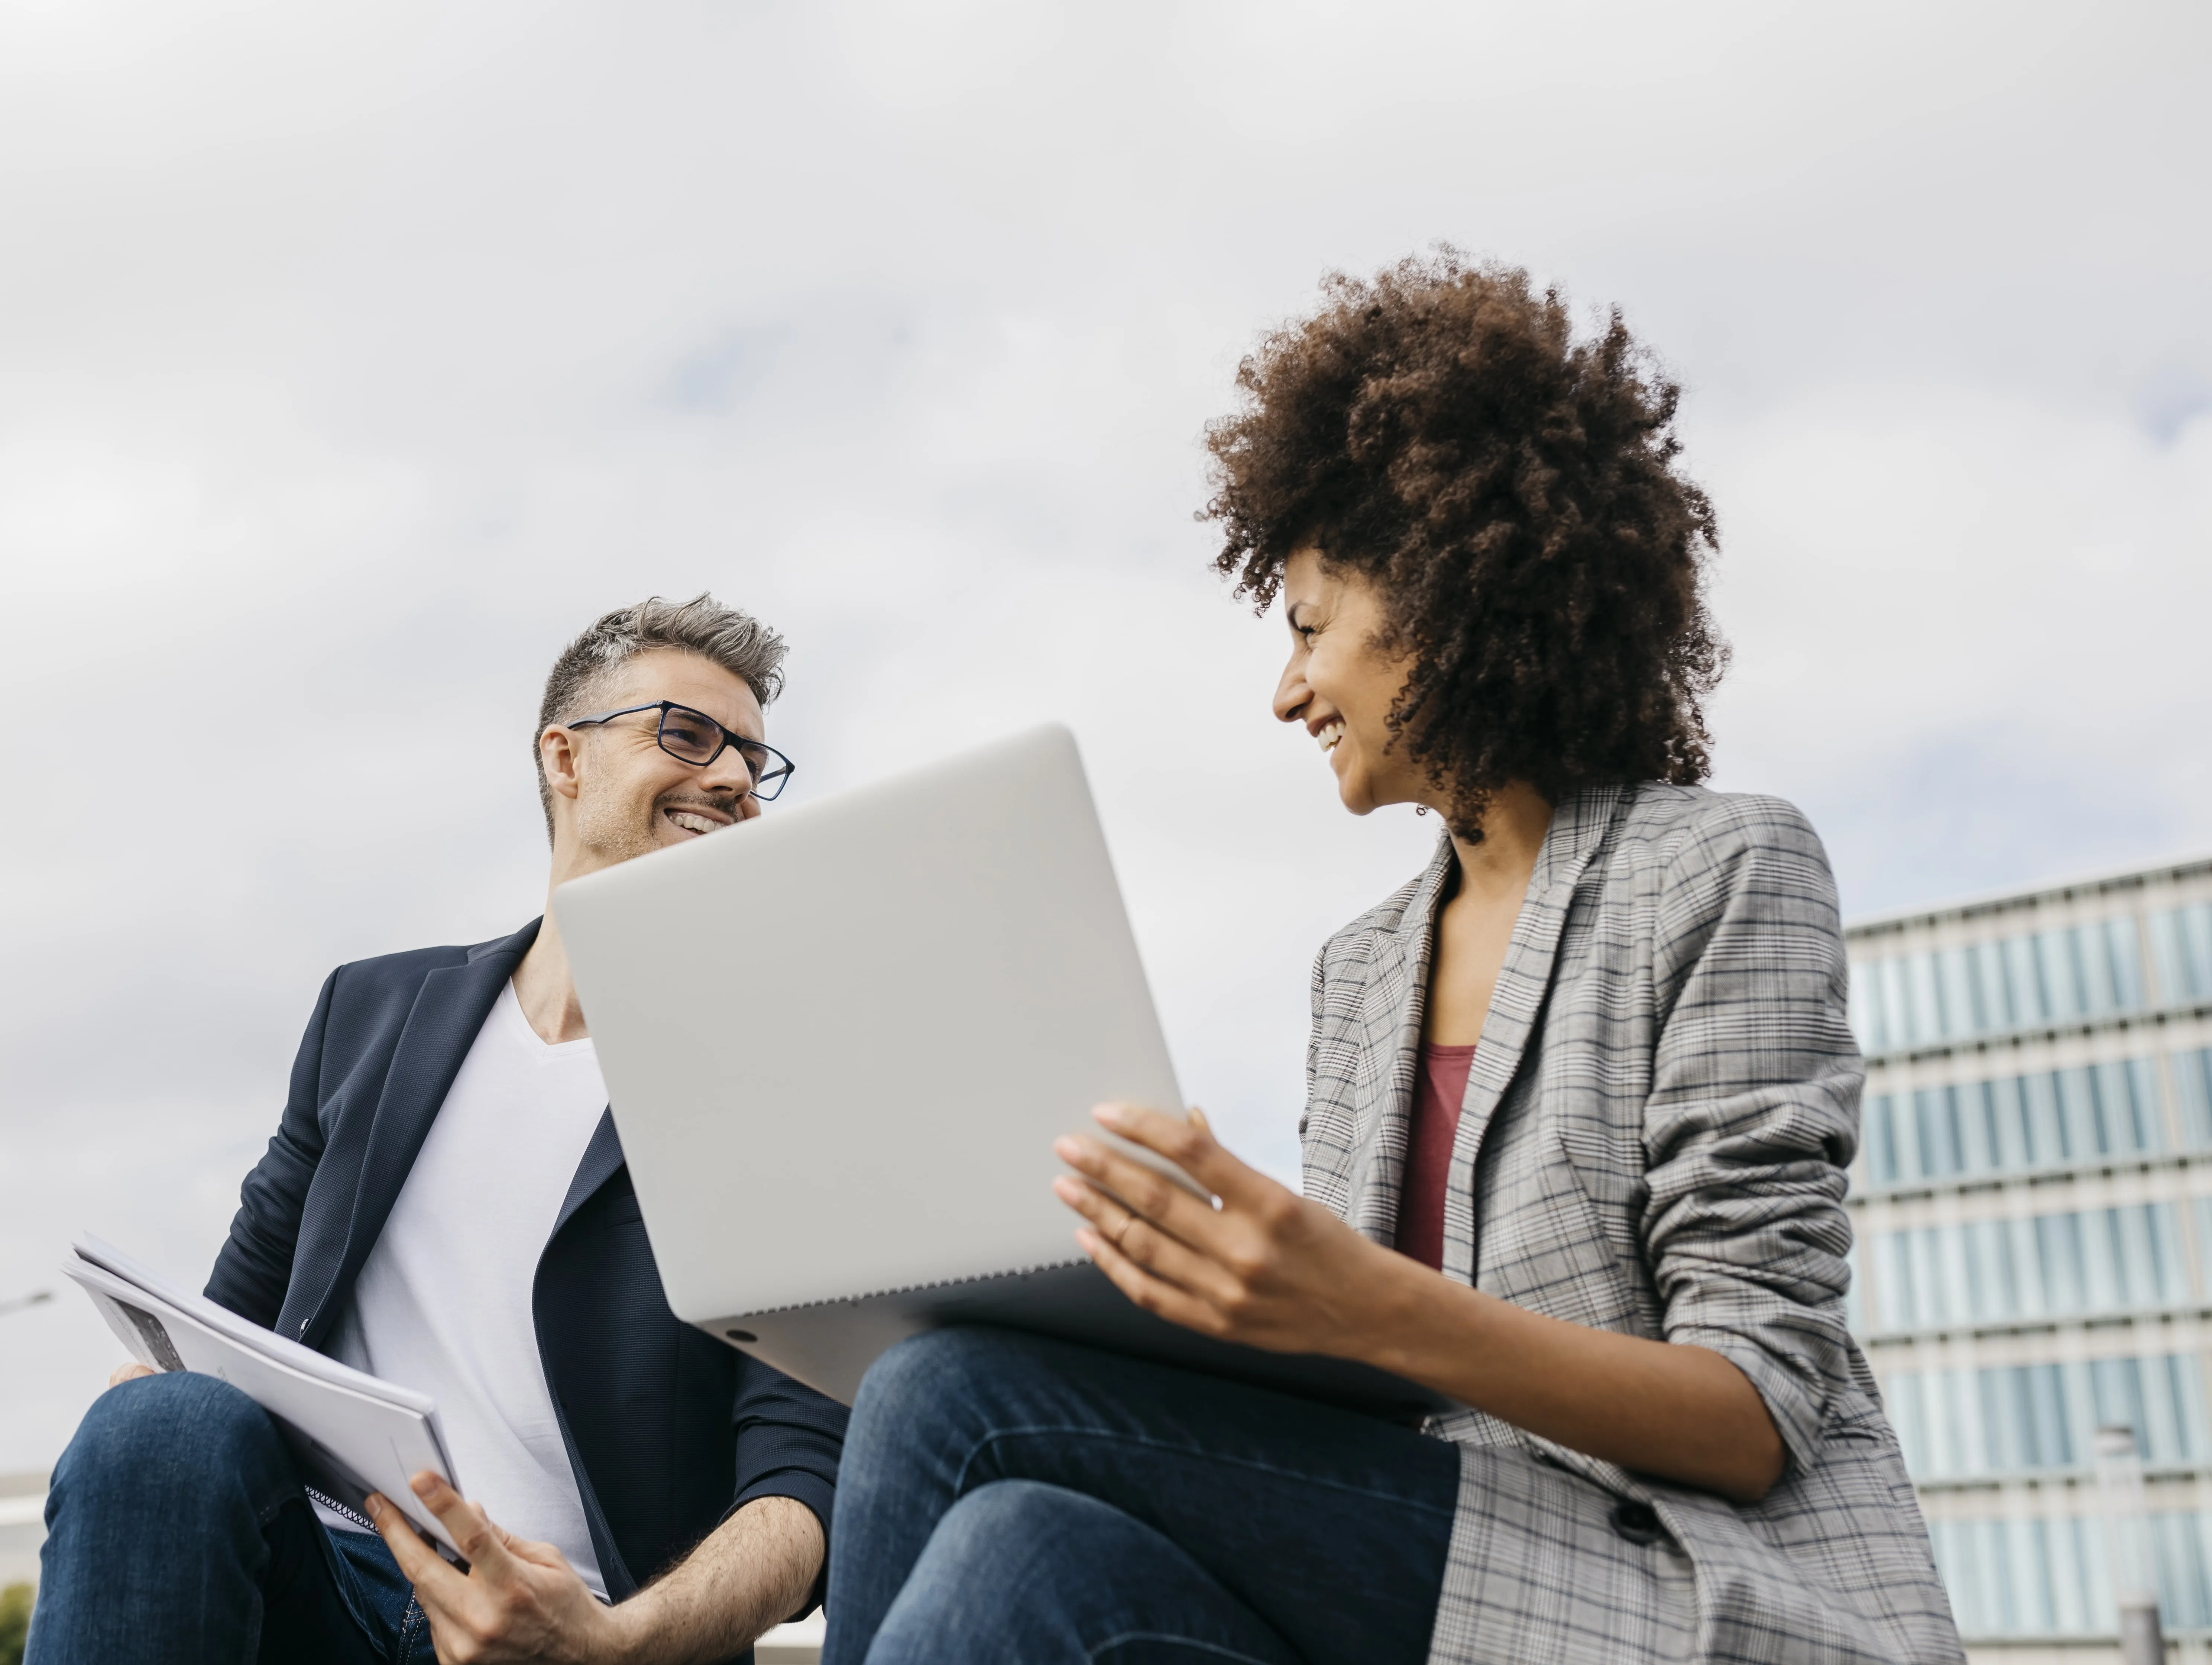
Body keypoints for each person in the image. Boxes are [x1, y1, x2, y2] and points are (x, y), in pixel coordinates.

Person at [820, 259, 1964, 1664]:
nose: (1287, 688)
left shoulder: (1721, 868)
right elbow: (1360, 1387)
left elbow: (1751, 1414)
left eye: (1309, 626)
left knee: (948, 1396)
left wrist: (1371, 1308)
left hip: (1676, 1591)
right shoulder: (1357, 976)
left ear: (1443, 590)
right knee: (1013, 1559)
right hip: (1422, 1570)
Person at [28, 596, 849, 1665]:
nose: (736, 779)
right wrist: (156, 1417)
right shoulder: (370, 1015)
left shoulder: (786, 1081)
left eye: (754, 758)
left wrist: (615, 1640)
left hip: (582, 1623)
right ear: (565, 757)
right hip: (323, 1583)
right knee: (158, 1428)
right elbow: (230, 1328)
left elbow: (804, 1474)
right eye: (689, 735)